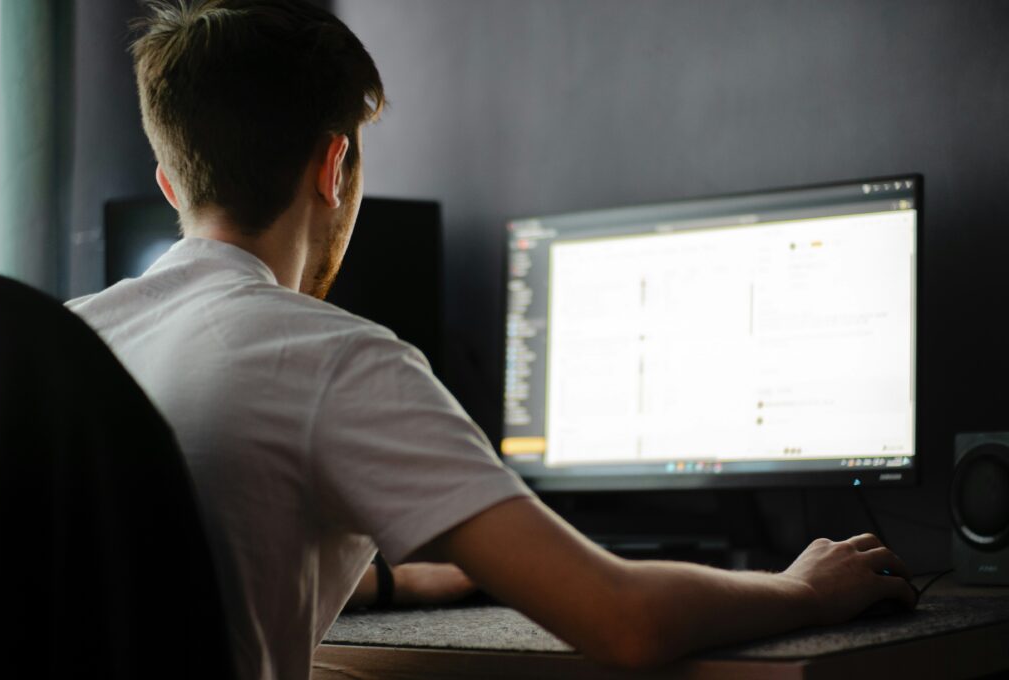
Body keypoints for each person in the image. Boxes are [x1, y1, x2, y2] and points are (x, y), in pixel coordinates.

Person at [68, 1, 918, 678]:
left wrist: (409, 579)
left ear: (170, 179)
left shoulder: (68, 343)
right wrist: (799, 589)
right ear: (334, 169)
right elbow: (621, 621)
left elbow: (204, 554)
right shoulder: (337, 358)